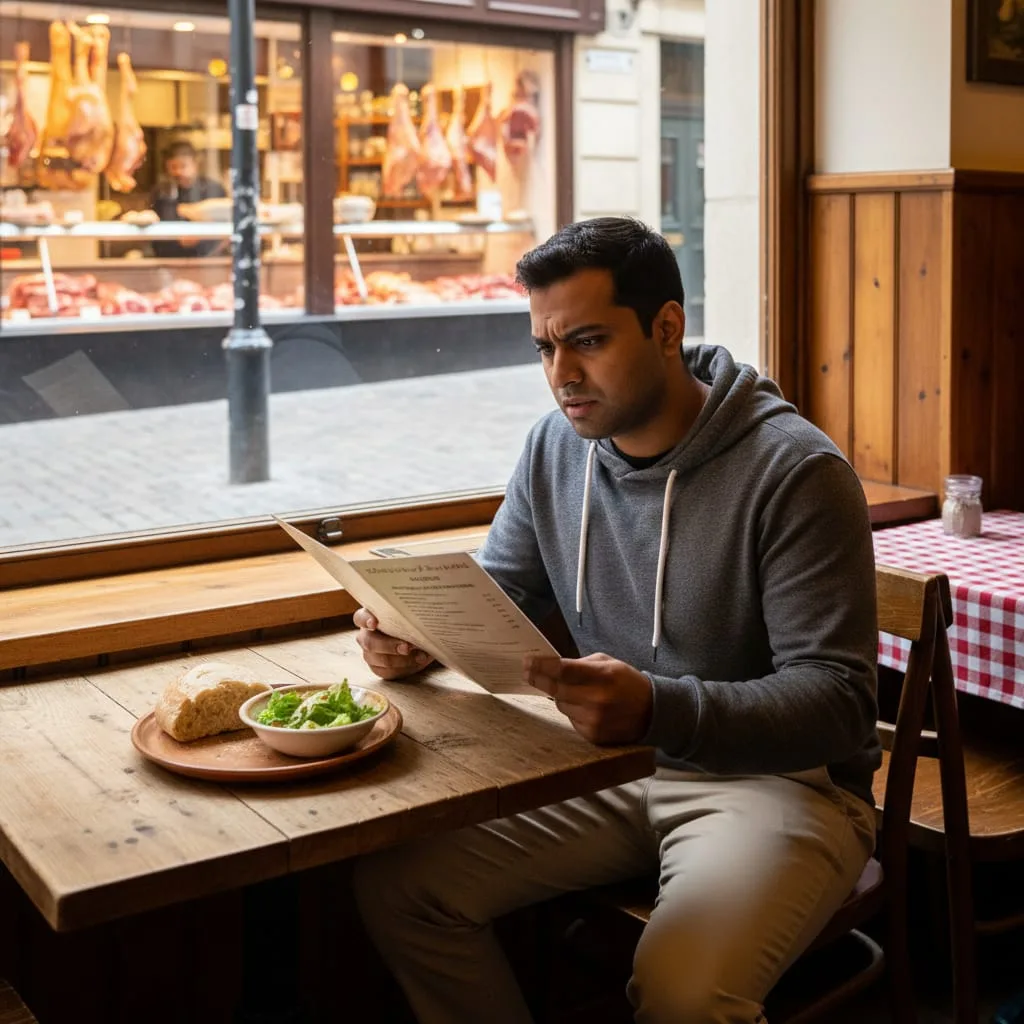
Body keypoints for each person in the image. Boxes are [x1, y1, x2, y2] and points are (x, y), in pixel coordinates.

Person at [351, 217, 881, 1024]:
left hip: (781, 785)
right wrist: (415, 636)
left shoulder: (795, 471)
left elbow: (839, 703)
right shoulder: (554, 448)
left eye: (588, 341)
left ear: (666, 328)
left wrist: (660, 707)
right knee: (400, 886)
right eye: (544, 348)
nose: (561, 374)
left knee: (683, 994)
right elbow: (503, 593)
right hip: (611, 767)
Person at [149, 140, 227, 258]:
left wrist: (200, 236)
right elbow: (157, 228)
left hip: (208, 258)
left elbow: (223, 225)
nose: (178, 172)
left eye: (183, 166)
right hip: (170, 258)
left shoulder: (213, 189)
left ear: (195, 164)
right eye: (173, 167)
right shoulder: (161, 192)